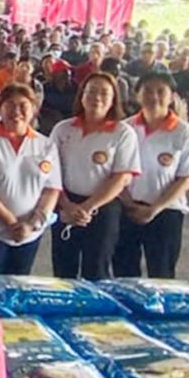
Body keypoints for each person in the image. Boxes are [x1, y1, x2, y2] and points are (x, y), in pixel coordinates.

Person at [49, 72, 140, 280]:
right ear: (81, 96)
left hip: (103, 207)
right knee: (63, 269)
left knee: (97, 269)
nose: (97, 98)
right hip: (65, 204)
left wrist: (88, 207)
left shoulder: (123, 133)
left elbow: (121, 178)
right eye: (91, 92)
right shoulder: (63, 129)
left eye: (104, 93)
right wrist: (66, 205)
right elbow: (51, 173)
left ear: (113, 99)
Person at [0, 84, 62, 275]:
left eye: (23, 105)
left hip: (31, 231)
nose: (16, 111)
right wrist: (11, 223)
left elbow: (52, 189)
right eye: (9, 105)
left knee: (21, 279)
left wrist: (32, 224)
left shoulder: (45, 145)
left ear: (33, 109)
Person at [113, 73, 189, 279]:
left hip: (166, 212)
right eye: (148, 91)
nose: (154, 97)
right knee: (123, 272)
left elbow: (186, 178)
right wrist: (128, 203)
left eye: (161, 91)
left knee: (162, 273)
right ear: (137, 95)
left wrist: (155, 209)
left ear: (171, 97)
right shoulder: (125, 129)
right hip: (126, 209)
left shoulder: (183, 132)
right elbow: (114, 173)